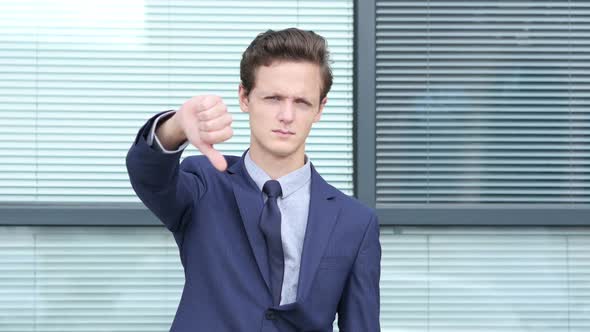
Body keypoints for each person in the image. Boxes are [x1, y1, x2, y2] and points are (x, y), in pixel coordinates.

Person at [126, 28, 381, 332]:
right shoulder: (204, 184)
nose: (287, 115)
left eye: (301, 102)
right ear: (244, 98)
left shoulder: (355, 221)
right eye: (273, 98)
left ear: (320, 109)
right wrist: (177, 126)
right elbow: (148, 175)